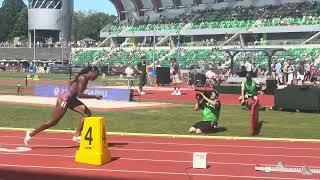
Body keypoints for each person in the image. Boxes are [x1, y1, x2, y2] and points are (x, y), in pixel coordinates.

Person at [24, 66, 102, 145]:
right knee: (52, 122)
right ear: (92, 72)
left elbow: (70, 82)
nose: (96, 77)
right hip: (64, 100)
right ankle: (30, 133)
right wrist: (95, 96)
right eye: (96, 75)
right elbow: (80, 95)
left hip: (71, 100)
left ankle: (77, 135)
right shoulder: (83, 78)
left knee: (87, 114)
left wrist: (70, 91)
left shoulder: (84, 78)